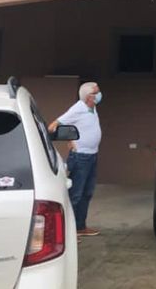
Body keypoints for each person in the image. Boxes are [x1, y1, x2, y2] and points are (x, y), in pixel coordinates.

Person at [49, 81, 103, 238]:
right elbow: (53, 126)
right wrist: (69, 139)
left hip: (92, 155)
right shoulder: (78, 108)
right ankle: (67, 233)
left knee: (87, 193)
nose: (99, 95)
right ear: (88, 96)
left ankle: (80, 226)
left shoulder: (92, 108)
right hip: (80, 157)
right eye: (96, 92)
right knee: (75, 194)